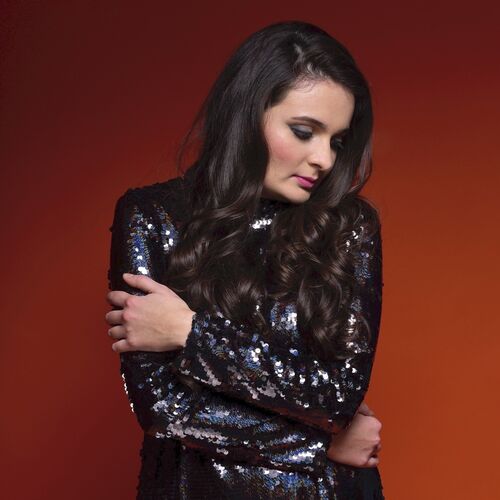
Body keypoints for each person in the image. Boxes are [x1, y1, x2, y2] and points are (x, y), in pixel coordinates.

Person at [105, 20, 384, 499]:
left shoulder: (350, 227)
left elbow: (337, 396)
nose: (325, 159)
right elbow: (164, 408)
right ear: (247, 115)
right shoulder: (152, 216)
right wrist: (320, 446)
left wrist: (190, 332)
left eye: (337, 141)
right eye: (304, 131)